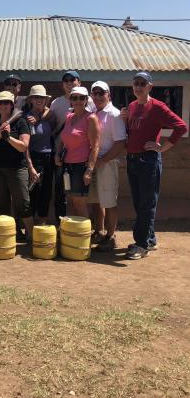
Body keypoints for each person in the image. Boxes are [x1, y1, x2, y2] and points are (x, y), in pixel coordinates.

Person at [121, 72, 187, 260]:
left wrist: (162, 148)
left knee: (147, 204)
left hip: (148, 161)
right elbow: (132, 132)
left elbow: (181, 126)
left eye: (142, 83)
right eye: (136, 83)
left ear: (150, 87)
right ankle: (149, 239)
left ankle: (141, 245)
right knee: (138, 202)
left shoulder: (158, 107)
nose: (138, 87)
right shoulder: (132, 106)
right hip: (132, 159)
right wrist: (123, 120)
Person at [0, 90, 33, 243]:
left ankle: (31, 236)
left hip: (17, 168)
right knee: (0, 204)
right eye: (0, 103)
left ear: (12, 105)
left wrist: (8, 137)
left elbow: (23, 147)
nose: (3, 105)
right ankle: (4, 238)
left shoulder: (21, 121)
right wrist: (0, 134)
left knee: (23, 203)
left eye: (6, 103)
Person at [50, 71, 95, 221]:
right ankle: (73, 237)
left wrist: (89, 170)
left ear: (86, 100)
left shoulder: (91, 118)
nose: (77, 101)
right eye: (74, 98)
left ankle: (84, 239)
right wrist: (58, 153)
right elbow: (63, 137)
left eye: (81, 98)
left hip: (80, 165)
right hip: (67, 165)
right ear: (70, 100)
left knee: (80, 202)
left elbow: (95, 146)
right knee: (70, 200)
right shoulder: (69, 117)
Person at [87, 81, 126, 251]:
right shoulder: (95, 112)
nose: (97, 97)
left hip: (107, 163)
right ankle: (99, 231)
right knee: (96, 201)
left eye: (100, 93)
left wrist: (102, 161)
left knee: (109, 202)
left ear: (108, 94)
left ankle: (111, 236)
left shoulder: (114, 115)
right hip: (96, 162)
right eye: (94, 93)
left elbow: (120, 143)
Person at [25, 85, 57, 224]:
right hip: (34, 156)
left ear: (46, 100)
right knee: (33, 190)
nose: (39, 100)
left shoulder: (49, 115)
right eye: (36, 97)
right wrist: (30, 165)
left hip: (49, 157)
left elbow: (55, 129)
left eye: (42, 98)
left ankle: (42, 222)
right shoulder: (26, 118)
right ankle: (30, 227)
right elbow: (25, 144)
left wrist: (40, 117)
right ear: (31, 99)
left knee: (46, 190)